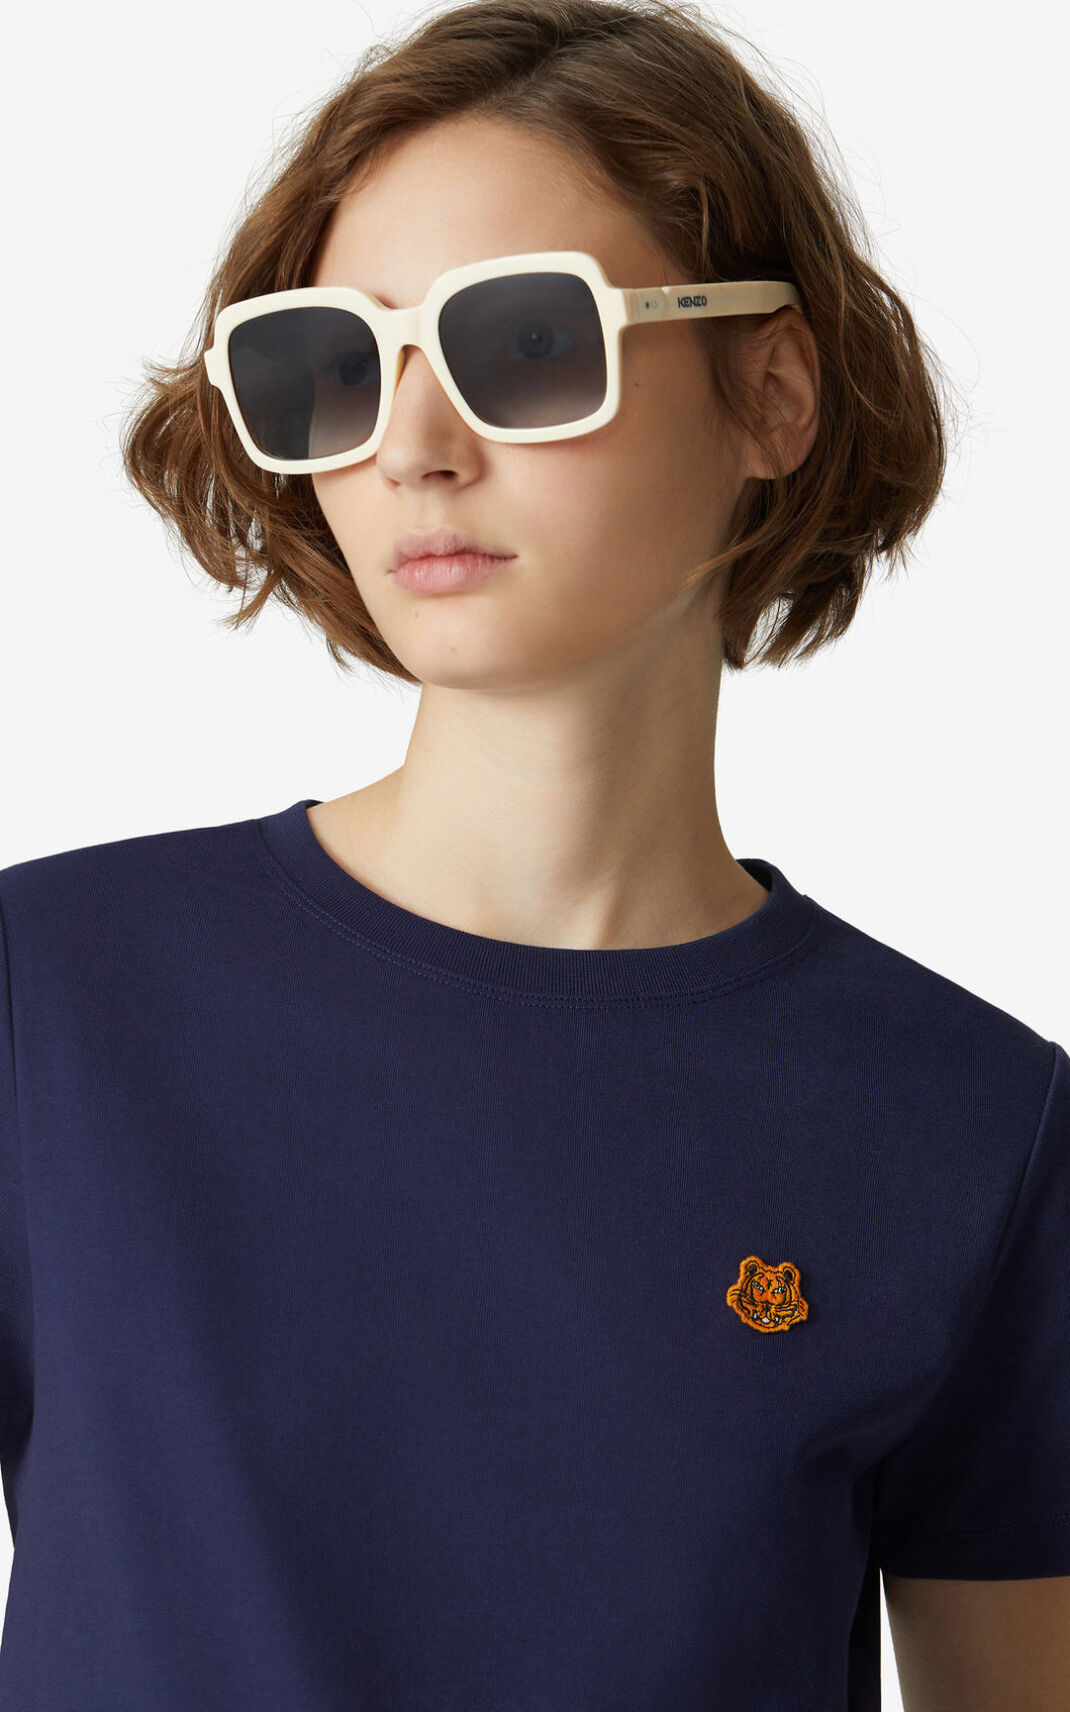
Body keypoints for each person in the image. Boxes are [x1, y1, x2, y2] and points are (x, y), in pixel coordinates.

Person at [1, 0, 1067, 1707]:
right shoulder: (48, 1002)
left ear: (770, 392)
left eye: (523, 342)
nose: (413, 446)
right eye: (336, 362)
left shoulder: (968, 1126)